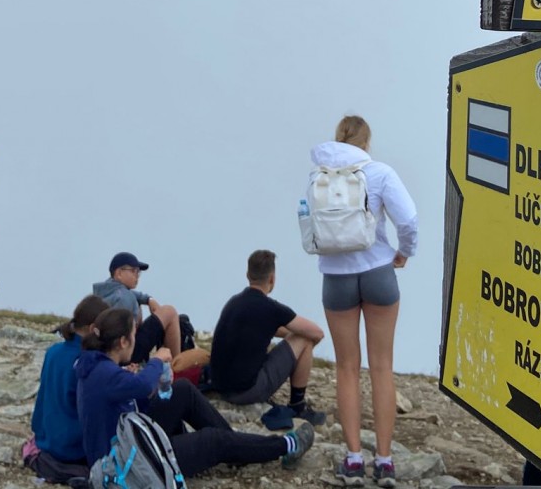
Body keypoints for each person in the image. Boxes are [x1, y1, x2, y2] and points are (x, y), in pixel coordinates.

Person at [75, 307, 313, 478]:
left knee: (182, 390)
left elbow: (131, 397)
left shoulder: (97, 367)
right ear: (123, 342)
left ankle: (238, 448)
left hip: (131, 445)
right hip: (130, 466)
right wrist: (156, 361)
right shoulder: (104, 373)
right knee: (213, 440)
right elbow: (143, 387)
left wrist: (132, 377)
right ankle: (286, 446)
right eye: (134, 335)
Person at [312, 115, 418, 489]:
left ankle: (354, 458)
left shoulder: (319, 175)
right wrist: (404, 252)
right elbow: (409, 219)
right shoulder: (380, 173)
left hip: (336, 276)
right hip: (378, 272)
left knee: (346, 368)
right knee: (382, 367)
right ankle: (384, 461)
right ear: (367, 142)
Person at [210, 249, 325, 422]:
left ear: (248, 275)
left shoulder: (233, 303)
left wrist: (289, 335)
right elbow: (317, 333)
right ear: (272, 279)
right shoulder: (272, 309)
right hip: (246, 391)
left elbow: (262, 326)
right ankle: (298, 405)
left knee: (299, 336)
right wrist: (298, 349)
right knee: (305, 339)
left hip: (220, 387)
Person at [28, 294, 108, 483]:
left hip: (46, 440)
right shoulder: (87, 362)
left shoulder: (53, 351)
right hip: (72, 449)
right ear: (93, 329)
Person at [91, 251, 181, 364]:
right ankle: (177, 366)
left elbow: (132, 294)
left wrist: (148, 299)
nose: (137, 276)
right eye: (133, 271)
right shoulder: (124, 298)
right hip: (125, 352)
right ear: (119, 273)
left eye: (138, 272)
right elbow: (121, 329)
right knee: (169, 312)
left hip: (110, 350)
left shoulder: (108, 291)